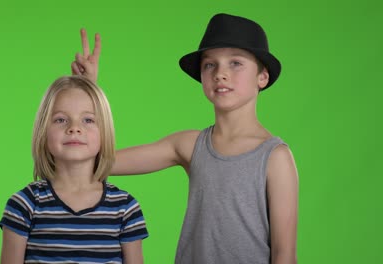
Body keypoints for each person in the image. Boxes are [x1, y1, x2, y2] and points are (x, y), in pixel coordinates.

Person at [73, 13, 298, 264]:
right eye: (210, 64)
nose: (220, 74)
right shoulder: (190, 146)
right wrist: (87, 90)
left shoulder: (275, 157)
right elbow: (100, 162)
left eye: (235, 63)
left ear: (262, 77)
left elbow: (284, 254)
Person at [0, 75, 148, 264]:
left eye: (88, 120)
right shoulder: (24, 205)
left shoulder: (125, 208)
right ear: (43, 131)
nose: (74, 128)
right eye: (61, 120)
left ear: (105, 132)